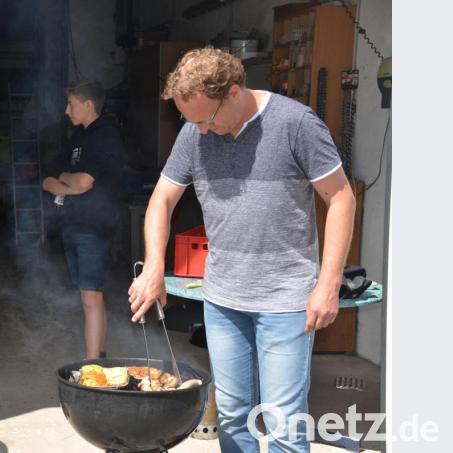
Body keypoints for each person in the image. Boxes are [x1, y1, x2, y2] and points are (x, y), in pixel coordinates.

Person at [128, 48, 356, 452]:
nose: (197, 130)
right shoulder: (193, 133)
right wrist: (154, 267)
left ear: (234, 92)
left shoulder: (296, 124)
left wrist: (329, 283)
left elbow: (340, 198)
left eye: (205, 119)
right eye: (188, 119)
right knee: (233, 415)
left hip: (286, 300)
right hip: (222, 299)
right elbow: (161, 200)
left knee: (283, 421)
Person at [42, 80, 124, 359]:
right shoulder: (76, 138)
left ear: (88, 105)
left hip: (94, 226)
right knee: (89, 295)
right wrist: (69, 183)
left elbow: (86, 181)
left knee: (91, 296)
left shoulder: (105, 135)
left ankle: (92, 365)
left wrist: (66, 180)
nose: (66, 111)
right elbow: (48, 179)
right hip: (73, 223)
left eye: (71, 104)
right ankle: (97, 356)